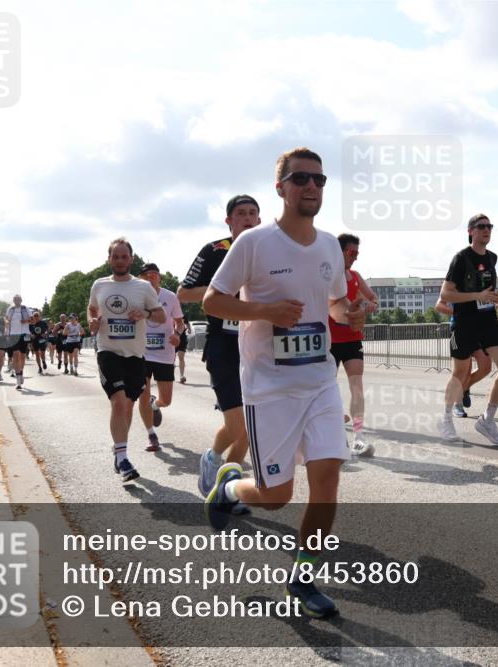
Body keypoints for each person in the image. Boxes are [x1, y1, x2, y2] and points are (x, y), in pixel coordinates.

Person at [203, 149, 364, 618]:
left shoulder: (331, 245)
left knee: (328, 479)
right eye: (300, 179)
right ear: (281, 188)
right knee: (276, 499)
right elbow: (213, 301)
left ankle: (303, 575)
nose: (311, 187)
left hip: (318, 379)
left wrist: (346, 312)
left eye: (319, 179)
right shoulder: (254, 243)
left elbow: (333, 305)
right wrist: (265, 311)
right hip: (268, 388)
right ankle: (229, 488)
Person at [179, 194, 261, 514]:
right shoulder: (214, 251)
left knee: (252, 429)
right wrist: (224, 292)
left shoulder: (268, 251)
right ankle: (212, 458)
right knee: (237, 424)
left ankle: (226, 490)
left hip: (257, 346)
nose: (247, 218)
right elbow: (184, 293)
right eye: (241, 213)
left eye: (253, 213)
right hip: (223, 346)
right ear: (229, 220)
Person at [88, 237, 164, 483]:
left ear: (131, 258)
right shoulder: (99, 285)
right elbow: (92, 309)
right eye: (115, 256)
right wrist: (93, 320)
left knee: (128, 406)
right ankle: (123, 459)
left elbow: (161, 316)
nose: (119, 260)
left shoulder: (143, 287)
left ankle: (119, 451)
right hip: (108, 350)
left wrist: (144, 312)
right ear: (109, 259)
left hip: (135, 354)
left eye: (124, 256)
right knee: (119, 403)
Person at [438, 214, 498, 445]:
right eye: (481, 227)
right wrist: (476, 296)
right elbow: (445, 294)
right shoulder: (461, 258)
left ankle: (487, 420)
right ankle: (446, 417)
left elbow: (487, 289)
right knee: (459, 373)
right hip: (465, 322)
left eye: (489, 226)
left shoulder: (492, 258)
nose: (486, 230)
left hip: (488, 321)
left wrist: (493, 297)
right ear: (471, 231)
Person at [329, 233, 379, 457]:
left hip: (351, 339)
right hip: (328, 340)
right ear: (338, 252)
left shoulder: (356, 277)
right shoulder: (326, 275)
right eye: (351, 253)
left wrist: (367, 305)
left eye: (357, 254)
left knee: (357, 387)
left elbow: (374, 300)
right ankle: (335, 435)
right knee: (326, 389)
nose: (355, 258)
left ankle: (359, 436)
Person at [136, 262, 184, 452]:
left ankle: (155, 406)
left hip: (165, 354)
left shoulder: (170, 297)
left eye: (155, 274)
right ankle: (151, 435)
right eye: (147, 274)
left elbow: (180, 323)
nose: (151, 277)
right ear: (140, 278)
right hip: (142, 353)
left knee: (167, 400)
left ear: (160, 278)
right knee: (142, 394)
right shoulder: (136, 296)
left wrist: (177, 335)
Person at [435, 297, 492, 417]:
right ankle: (457, 403)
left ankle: (465, 388)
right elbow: (439, 305)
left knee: (486, 367)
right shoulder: (455, 281)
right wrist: (459, 312)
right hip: (460, 329)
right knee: (462, 372)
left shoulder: (481, 281)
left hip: (480, 330)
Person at [5, 295, 36, 390]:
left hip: (24, 334)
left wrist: (25, 321)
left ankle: (21, 372)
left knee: (22, 356)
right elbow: (6, 319)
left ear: (21, 300)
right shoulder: (10, 309)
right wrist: (7, 323)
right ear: (13, 301)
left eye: (18, 299)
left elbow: (33, 320)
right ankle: (18, 378)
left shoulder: (25, 308)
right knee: (16, 355)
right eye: (15, 299)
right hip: (14, 334)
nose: (17, 301)